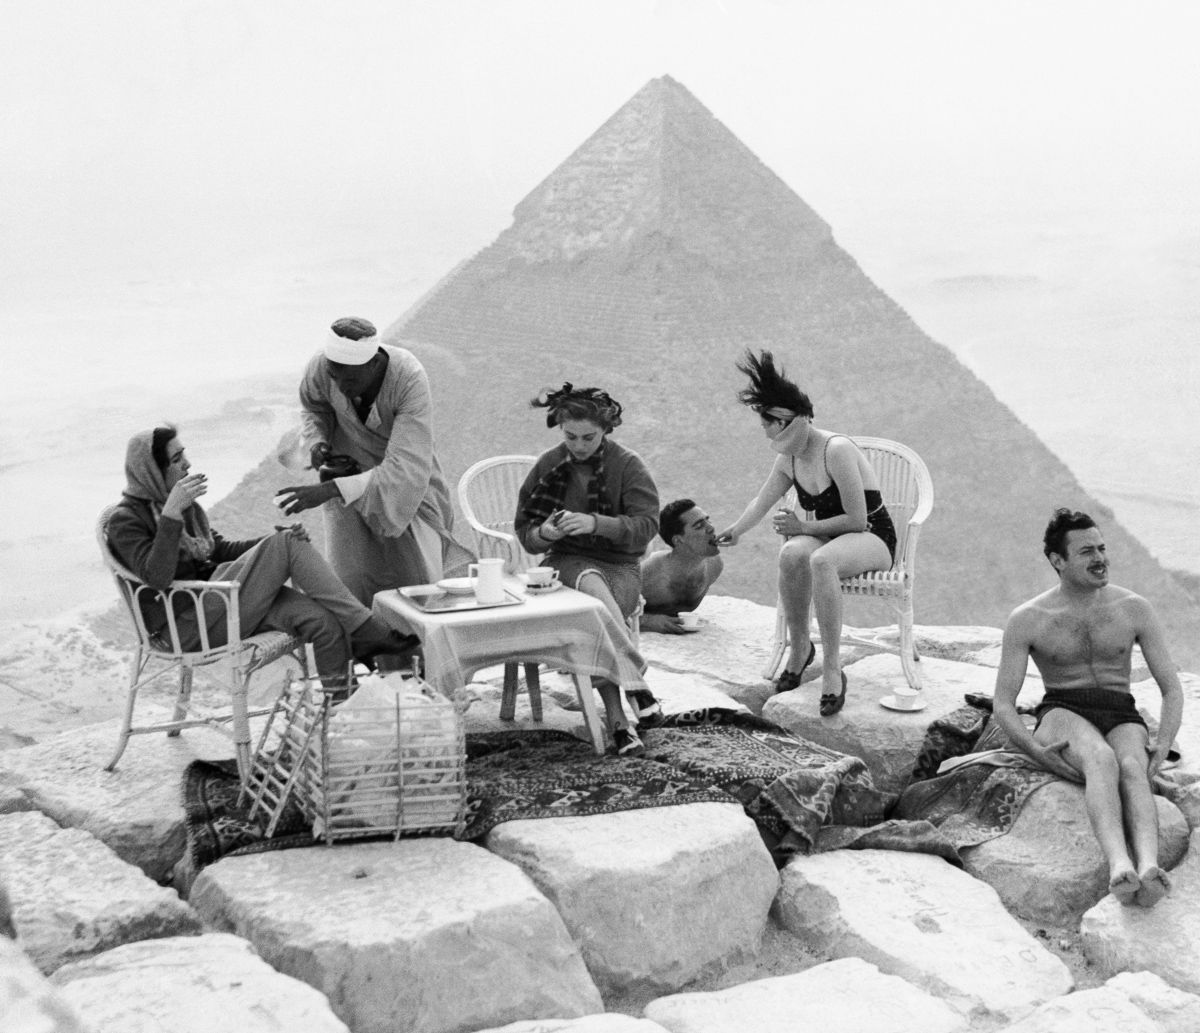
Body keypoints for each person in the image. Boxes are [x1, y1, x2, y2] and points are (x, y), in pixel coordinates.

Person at [108, 426, 419, 683]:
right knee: (287, 545)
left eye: (184, 455)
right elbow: (157, 578)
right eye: (176, 459)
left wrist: (273, 540)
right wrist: (172, 514)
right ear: (151, 471)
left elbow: (220, 550)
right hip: (187, 624)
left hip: (221, 604)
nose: (187, 465)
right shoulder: (127, 521)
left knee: (325, 621)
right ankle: (368, 629)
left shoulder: (182, 508)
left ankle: (339, 715)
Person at [991, 508, 1183, 908]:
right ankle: (1118, 866)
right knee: (1100, 759)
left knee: (1133, 766)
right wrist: (1035, 750)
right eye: (1086, 552)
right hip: (1063, 708)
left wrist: (1163, 743)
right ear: (1058, 561)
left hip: (1121, 710)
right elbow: (1004, 705)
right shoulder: (1028, 619)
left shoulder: (1134, 608)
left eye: (1102, 548)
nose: (1100, 559)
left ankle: (1148, 866)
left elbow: (1171, 688)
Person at [717, 350, 897, 715]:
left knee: (821, 560)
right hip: (831, 534)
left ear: (784, 421)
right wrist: (735, 531)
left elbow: (858, 520)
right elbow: (761, 500)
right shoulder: (790, 457)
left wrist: (803, 527)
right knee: (792, 553)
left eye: (767, 422)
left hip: (872, 537)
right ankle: (800, 648)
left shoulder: (837, 450)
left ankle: (832, 669)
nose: (764, 430)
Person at [276, 317, 473, 604]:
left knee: (417, 583)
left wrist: (330, 490)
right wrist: (318, 441)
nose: (341, 386)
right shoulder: (321, 367)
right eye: (335, 376)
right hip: (342, 480)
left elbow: (405, 466)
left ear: (374, 365)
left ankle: (417, 645)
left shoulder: (408, 378)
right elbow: (313, 408)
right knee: (352, 575)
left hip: (403, 487)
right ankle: (369, 644)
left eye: (351, 379)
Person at [514, 383, 661, 756]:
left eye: (588, 437)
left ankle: (618, 723)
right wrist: (545, 532)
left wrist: (597, 524)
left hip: (621, 569)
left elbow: (646, 526)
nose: (578, 445)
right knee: (588, 585)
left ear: (606, 430)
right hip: (563, 565)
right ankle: (634, 686)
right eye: (570, 436)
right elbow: (526, 534)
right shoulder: (548, 465)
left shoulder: (627, 466)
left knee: (593, 609)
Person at [640, 498, 724, 634]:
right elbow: (601, 607)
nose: (711, 528)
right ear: (678, 540)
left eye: (708, 520)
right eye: (699, 526)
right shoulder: (649, 572)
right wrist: (647, 621)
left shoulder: (714, 566)